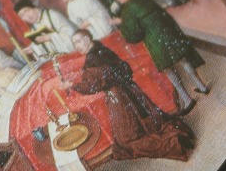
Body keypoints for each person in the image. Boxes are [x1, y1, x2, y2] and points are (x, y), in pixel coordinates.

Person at [63, 30, 194, 162]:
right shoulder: (101, 49)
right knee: (148, 124)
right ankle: (174, 138)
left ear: (87, 39)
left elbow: (92, 85)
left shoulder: (92, 59)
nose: (77, 46)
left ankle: (174, 143)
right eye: (75, 43)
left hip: (119, 97)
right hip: (130, 89)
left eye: (78, 42)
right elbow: (124, 68)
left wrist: (73, 85)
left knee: (127, 140)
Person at [112, 0, 209, 114]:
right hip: (167, 32)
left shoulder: (127, 10)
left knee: (169, 69)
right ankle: (202, 86)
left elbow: (133, 34)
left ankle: (187, 99)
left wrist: (121, 24)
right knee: (183, 60)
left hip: (155, 41)